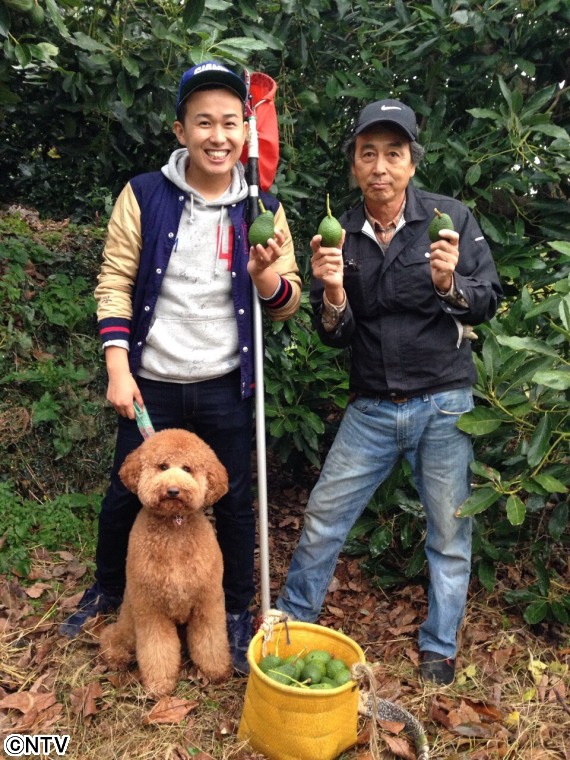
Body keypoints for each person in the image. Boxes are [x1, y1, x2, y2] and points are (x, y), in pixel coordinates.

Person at [60, 61, 301, 675]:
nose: (218, 136)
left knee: (235, 498)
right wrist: (118, 367)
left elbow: (286, 302)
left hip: (226, 382)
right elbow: (114, 280)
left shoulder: (263, 209)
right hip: (153, 383)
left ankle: (236, 608)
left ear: (245, 130)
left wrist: (264, 276)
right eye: (204, 122)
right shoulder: (144, 195)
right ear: (181, 130)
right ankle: (111, 591)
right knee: (125, 496)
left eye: (230, 123)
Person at [275, 99, 502, 685]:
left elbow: (488, 299)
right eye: (367, 153)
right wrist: (332, 293)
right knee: (323, 517)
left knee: (449, 533)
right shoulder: (341, 234)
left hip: (444, 403)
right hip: (372, 406)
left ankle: (439, 646)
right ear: (354, 163)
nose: (380, 166)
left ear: (411, 164)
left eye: (393, 154)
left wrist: (449, 282)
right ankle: (291, 625)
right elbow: (335, 337)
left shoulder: (450, 220)